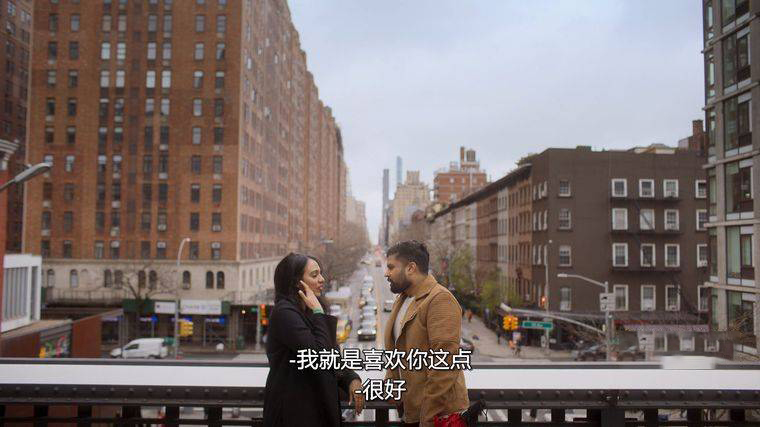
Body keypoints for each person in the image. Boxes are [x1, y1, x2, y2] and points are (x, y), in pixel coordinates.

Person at [263, 253, 365, 427]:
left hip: (316, 409)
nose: (322, 279)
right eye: (314, 275)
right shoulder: (284, 313)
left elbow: (332, 356)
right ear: (297, 282)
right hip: (294, 414)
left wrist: (351, 379)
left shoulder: (309, 311)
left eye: (320, 273)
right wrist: (318, 312)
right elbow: (319, 355)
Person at [383, 241, 469, 427]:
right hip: (411, 412)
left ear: (411, 268)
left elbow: (445, 364)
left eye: (391, 267)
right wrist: (392, 384)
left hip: (436, 417)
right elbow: (397, 350)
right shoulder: (403, 298)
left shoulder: (440, 299)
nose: (386, 273)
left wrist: (427, 417)